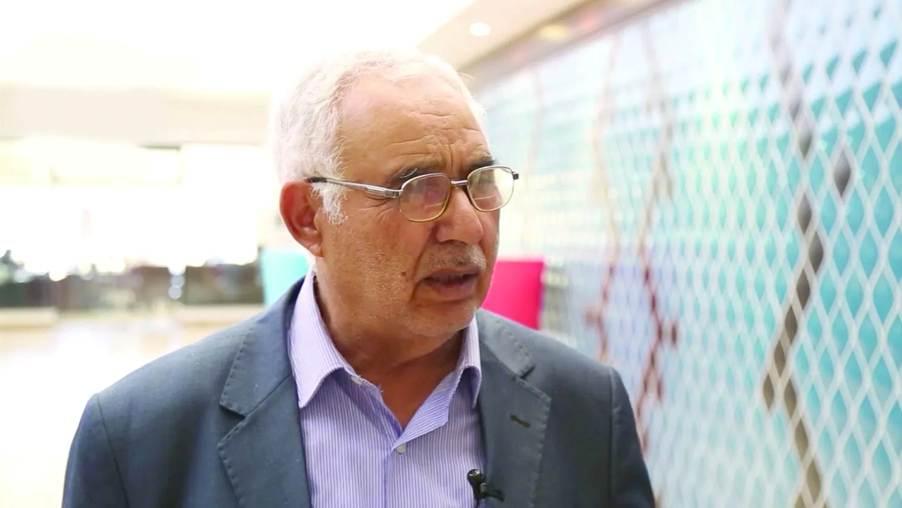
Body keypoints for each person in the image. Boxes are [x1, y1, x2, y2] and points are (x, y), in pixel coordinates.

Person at [63, 49, 653, 507]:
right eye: (417, 188)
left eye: (480, 181)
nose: (469, 225)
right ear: (308, 218)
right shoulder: (142, 435)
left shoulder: (586, 408)